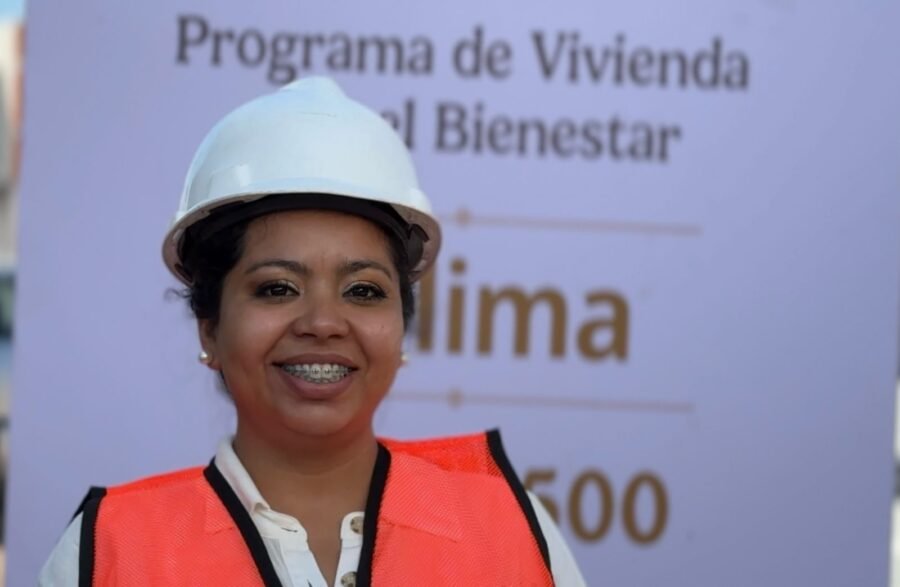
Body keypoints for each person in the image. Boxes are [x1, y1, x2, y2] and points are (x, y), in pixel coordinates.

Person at [39, 77, 586, 586]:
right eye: (277, 288)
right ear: (210, 329)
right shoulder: (108, 550)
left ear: (400, 328)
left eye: (363, 291)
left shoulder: (510, 529)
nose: (323, 323)